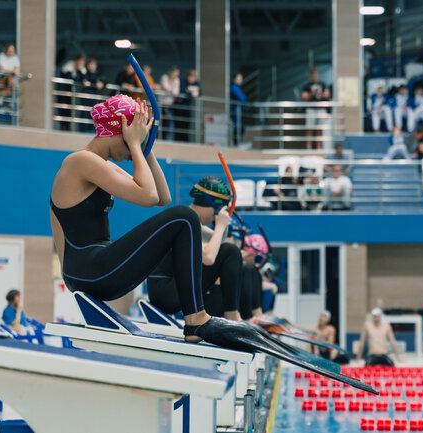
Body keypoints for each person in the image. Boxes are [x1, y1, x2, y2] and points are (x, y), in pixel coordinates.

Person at [49, 94, 292, 359]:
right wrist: (134, 141)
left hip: (99, 267)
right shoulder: (80, 161)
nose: (132, 151)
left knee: (182, 219)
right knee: (183, 217)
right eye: (131, 140)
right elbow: (148, 196)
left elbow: (162, 197)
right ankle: (196, 318)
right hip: (86, 270)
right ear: (115, 130)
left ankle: (198, 317)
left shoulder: (100, 165)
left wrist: (146, 148)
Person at [147, 177, 246, 321]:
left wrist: (221, 226)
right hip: (167, 294)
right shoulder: (188, 220)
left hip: (165, 291)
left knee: (228, 251)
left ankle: (231, 314)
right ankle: (232, 315)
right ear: (211, 207)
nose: (214, 219)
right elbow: (209, 258)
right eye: (215, 215)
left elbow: (218, 242)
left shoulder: (188, 219)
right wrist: (220, 226)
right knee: (231, 251)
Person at [302, 68, 327, 148]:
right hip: (311, 109)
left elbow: (327, 95)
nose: (314, 76)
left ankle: (319, 147)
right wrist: (312, 93)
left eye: (315, 74)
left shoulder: (322, 84)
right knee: (309, 129)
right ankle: (308, 147)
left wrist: (319, 94)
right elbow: (304, 97)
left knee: (319, 129)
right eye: (312, 74)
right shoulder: (307, 86)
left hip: (320, 108)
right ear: (310, 76)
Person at [159, 66, 181, 140]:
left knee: (167, 122)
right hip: (162, 103)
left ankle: (164, 138)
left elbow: (176, 92)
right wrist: (171, 89)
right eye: (175, 73)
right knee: (160, 120)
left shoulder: (177, 80)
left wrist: (170, 89)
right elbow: (166, 88)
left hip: (170, 104)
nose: (176, 75)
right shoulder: (165, 77)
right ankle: (158, 137)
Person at [230, 72, 247, 146]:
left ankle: (238, 143)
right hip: (237, 110)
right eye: (238, 79)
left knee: (241, 127)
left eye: (241, 79)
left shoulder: (238, 87)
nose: (240, 80)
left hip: (240, 110)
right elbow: (242, 99)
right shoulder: (234, 87)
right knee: (238, 127)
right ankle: (236, 144)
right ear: (234, 79)